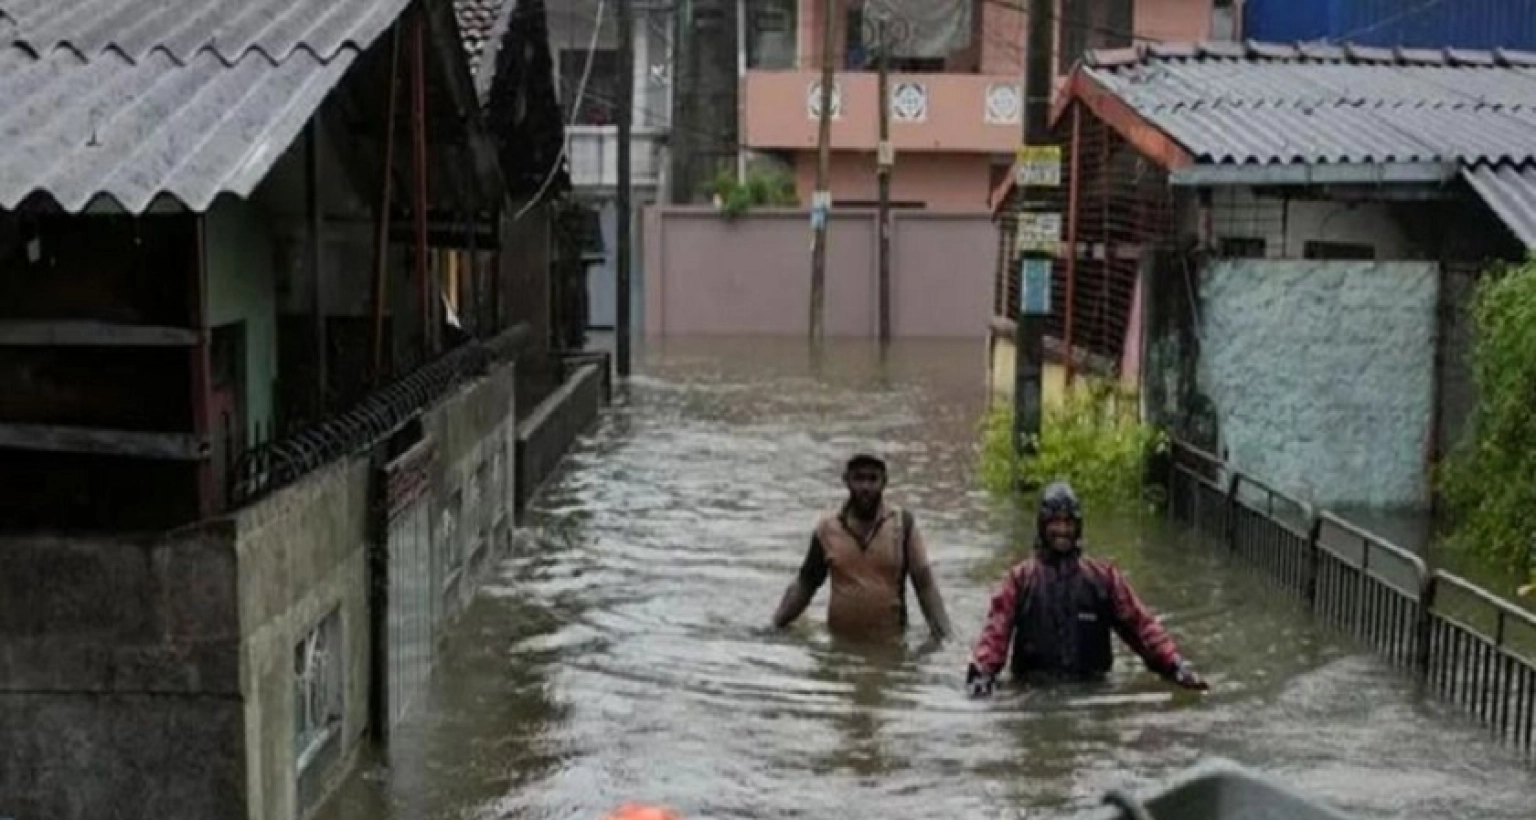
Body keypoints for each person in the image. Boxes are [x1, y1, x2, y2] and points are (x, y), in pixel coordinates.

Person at [965, 481, 1208, 697]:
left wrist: (1175, 666)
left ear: (1078, 527)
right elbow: (995, 635)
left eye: (1068, 522)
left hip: (1093, 690)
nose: (1062, 530)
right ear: (1042, 526)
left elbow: (1141, 627)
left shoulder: (1103, 579)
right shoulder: (1020, 580)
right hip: (1033, 692)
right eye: (1055, 522)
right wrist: (981, 675)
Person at [772, 452, 953, 641]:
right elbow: (806, 583)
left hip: (889, 643)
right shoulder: (828, 529)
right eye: (858, 478)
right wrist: (776, 624)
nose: (865, 487)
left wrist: (944, 637)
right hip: (839, 644)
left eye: (873, 479)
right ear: (846, 481)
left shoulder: (902, 526)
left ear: (884, 482)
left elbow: (925, 586)